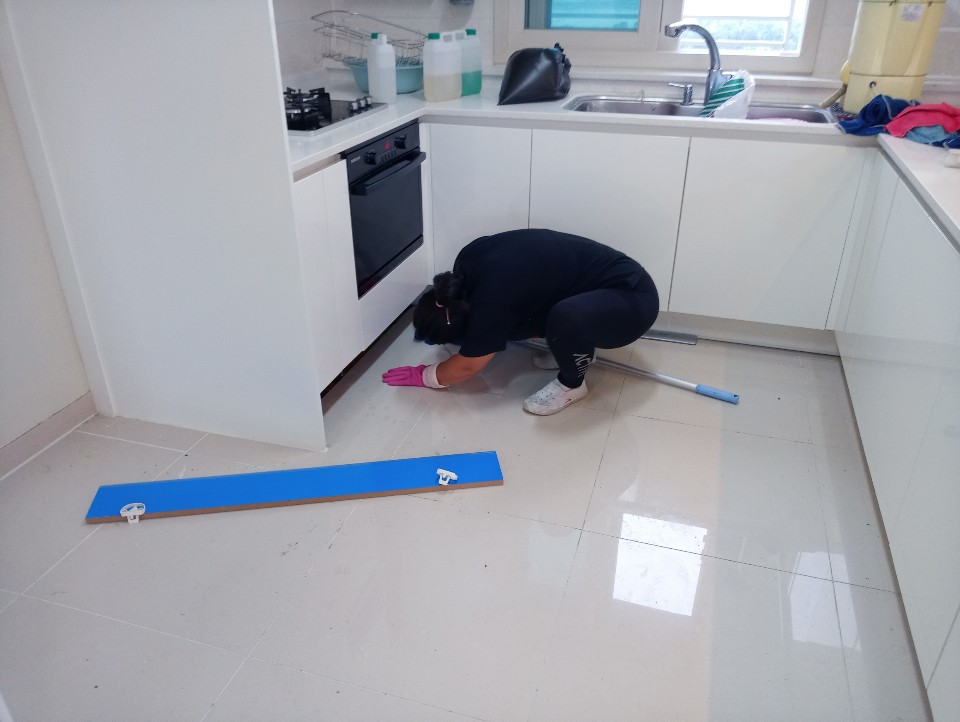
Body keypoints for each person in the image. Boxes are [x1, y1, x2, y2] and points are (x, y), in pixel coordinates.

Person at [381, 229, 659, 415]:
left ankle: (572, 384)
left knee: (566, 318)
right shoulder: (466, 262)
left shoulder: (492, 303)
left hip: (632, 305)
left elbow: (467, 365)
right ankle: (574, 346)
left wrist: (426, 376)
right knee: (536, 314)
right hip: (605, 289)